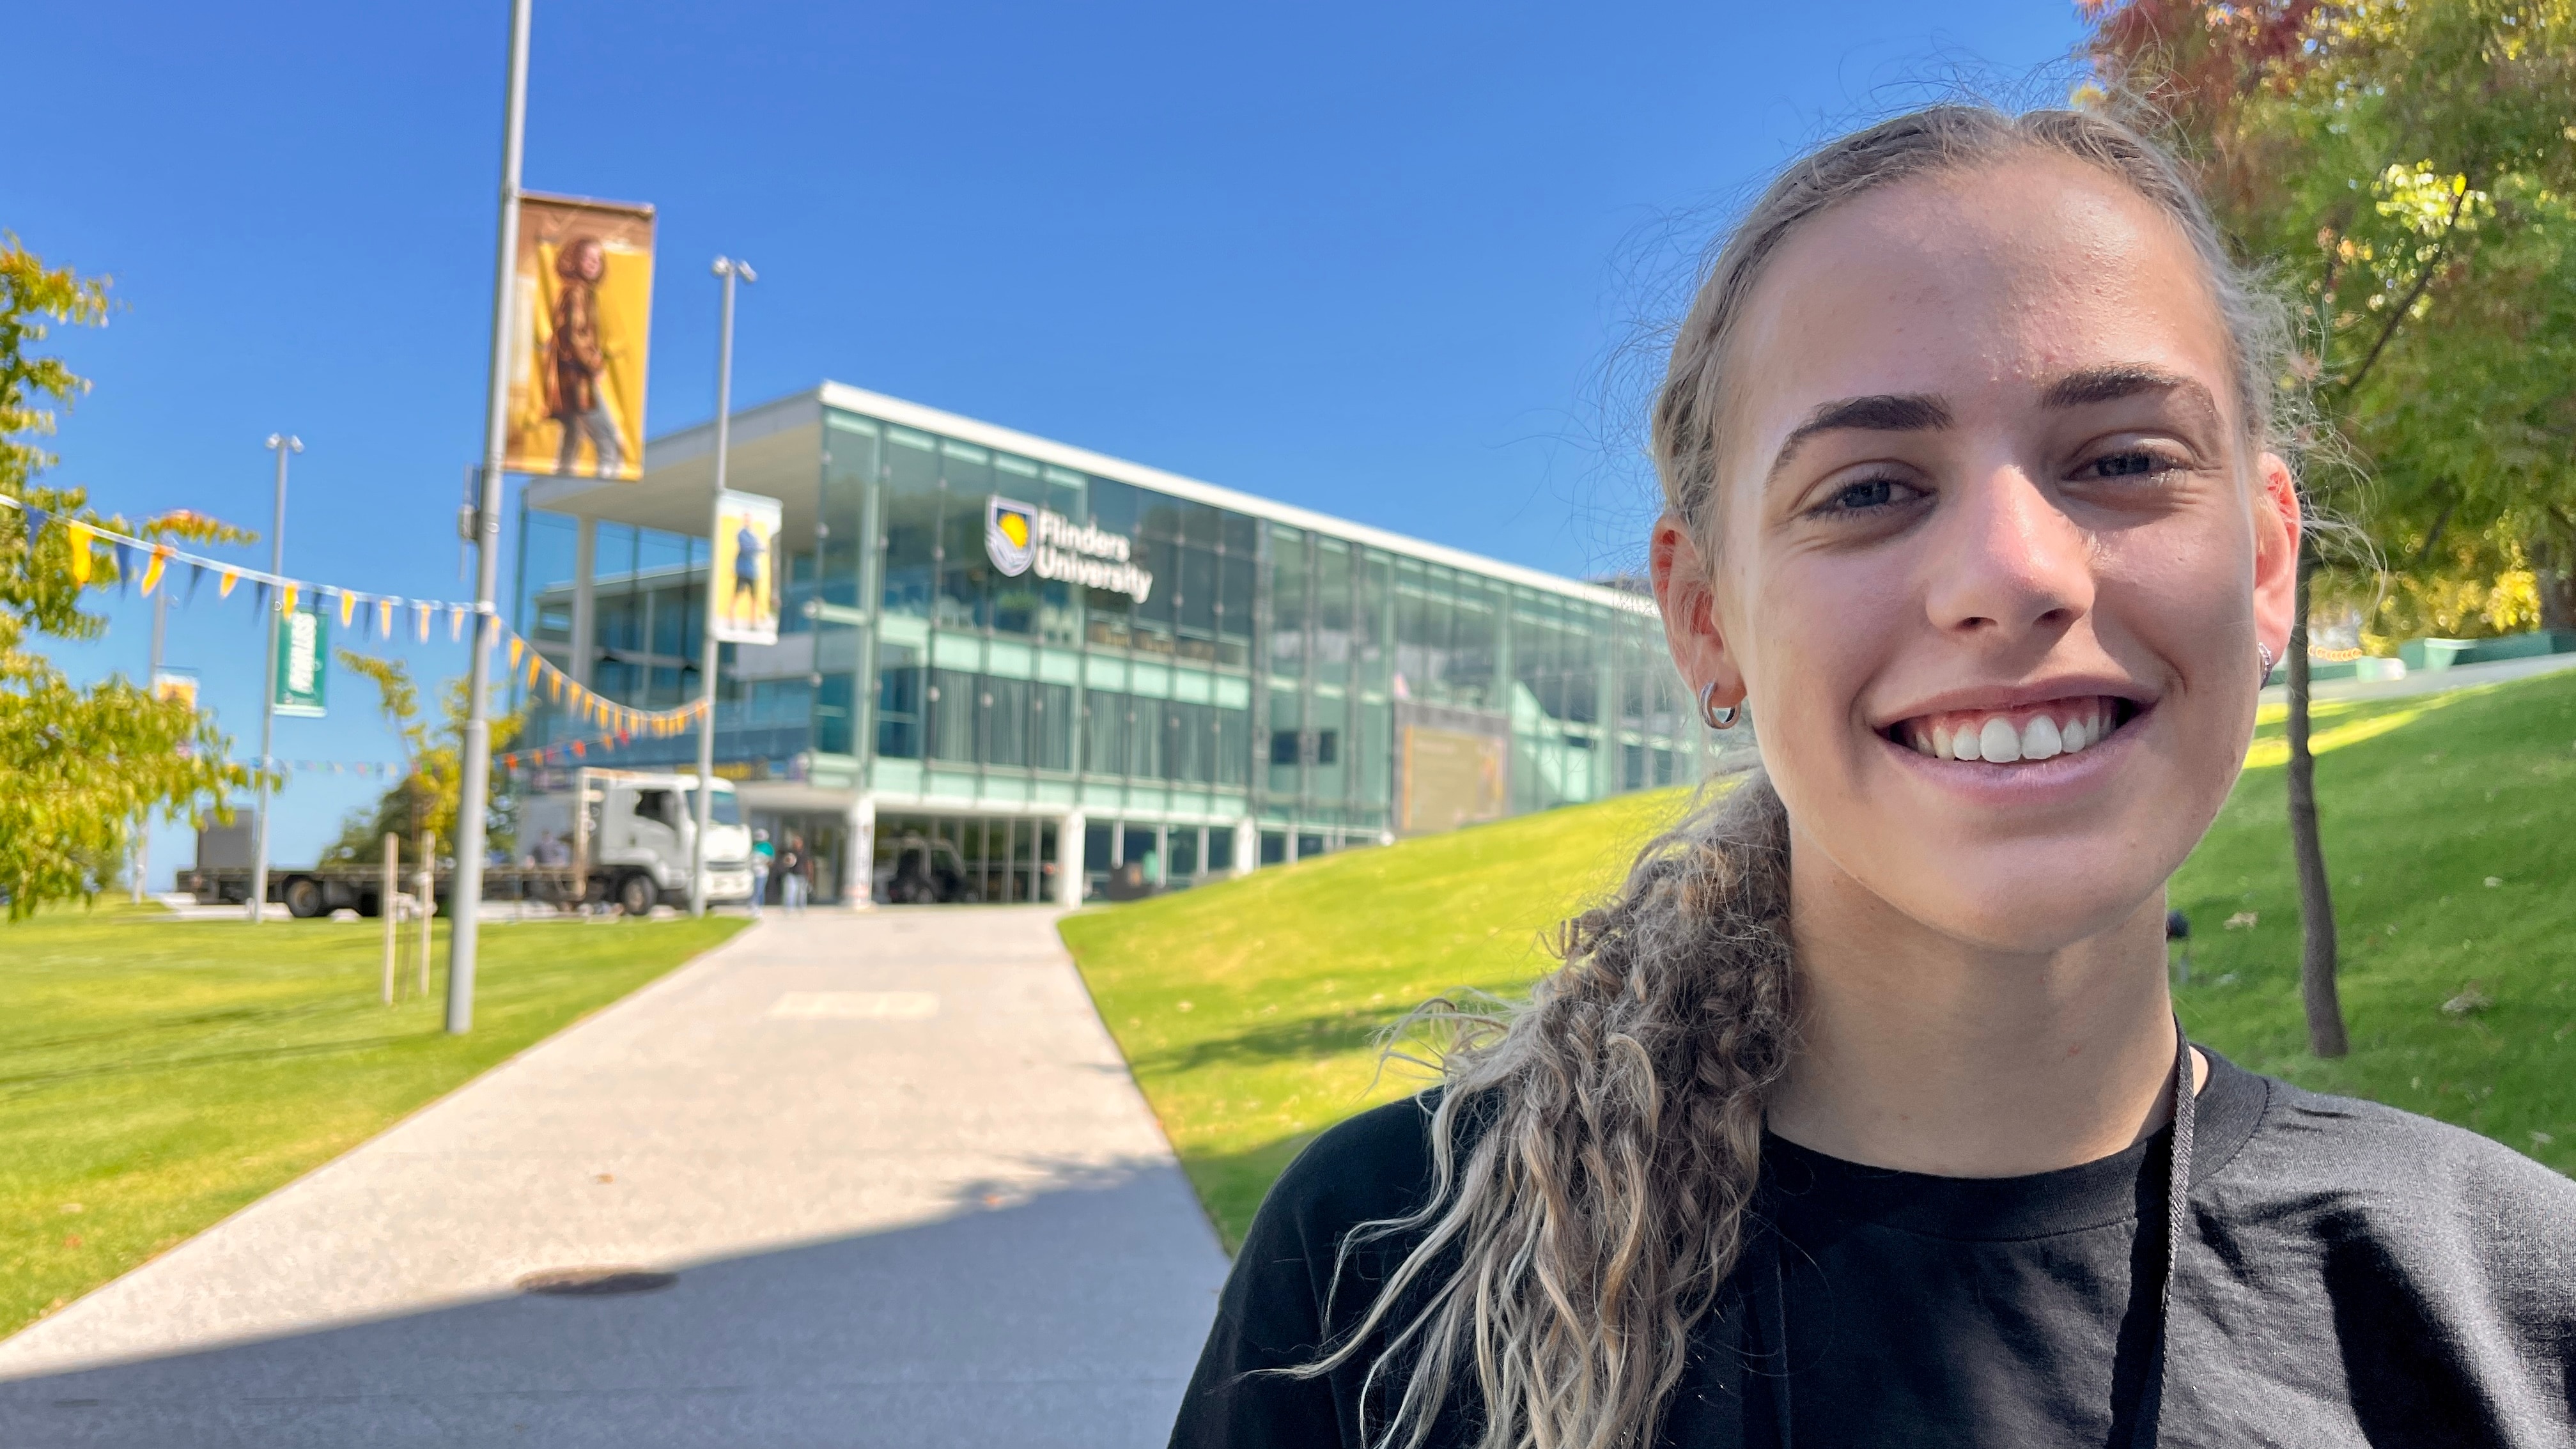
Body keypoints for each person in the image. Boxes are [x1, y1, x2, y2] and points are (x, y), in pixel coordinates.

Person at [1170, 104, 2576, 1449]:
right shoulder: (1374, 1280)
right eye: (1864, 488)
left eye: (2122, 457)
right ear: (1705, 613)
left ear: (2265, 563)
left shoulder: (2514, 1302)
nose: (2011, 571)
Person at [547, 236, 623, 479]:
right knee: (606, 435)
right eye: (588, 258)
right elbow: (575, 335)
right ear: (575, 259)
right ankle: (605, 482)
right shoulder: (577, 293)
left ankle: (560, 480)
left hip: (568, 375)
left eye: (598, 260)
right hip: (578, 376)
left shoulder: (578, 292)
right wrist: (594, 365)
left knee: (573, 432)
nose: (593, 264)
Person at [779, 832, 809, 914]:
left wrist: (809, 875)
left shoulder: (805, 853)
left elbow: (808, 864)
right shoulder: (790, 852)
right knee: (790, 892)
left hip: (802, 875)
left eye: (798, 842)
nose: (796, 844)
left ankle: (802, 908)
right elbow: (785, 860)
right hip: (791, 874)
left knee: (802, 893)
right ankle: (789, 908)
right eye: (795, 842)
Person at [749, 828, 773, 919]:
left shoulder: (768, 847)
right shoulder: (753, 846)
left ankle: (759, 906)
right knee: (752, 889)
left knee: (759, 890)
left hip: (761, 873)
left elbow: (771, 862)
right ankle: (752, 904)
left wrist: (765, 862)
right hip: (751, 872)